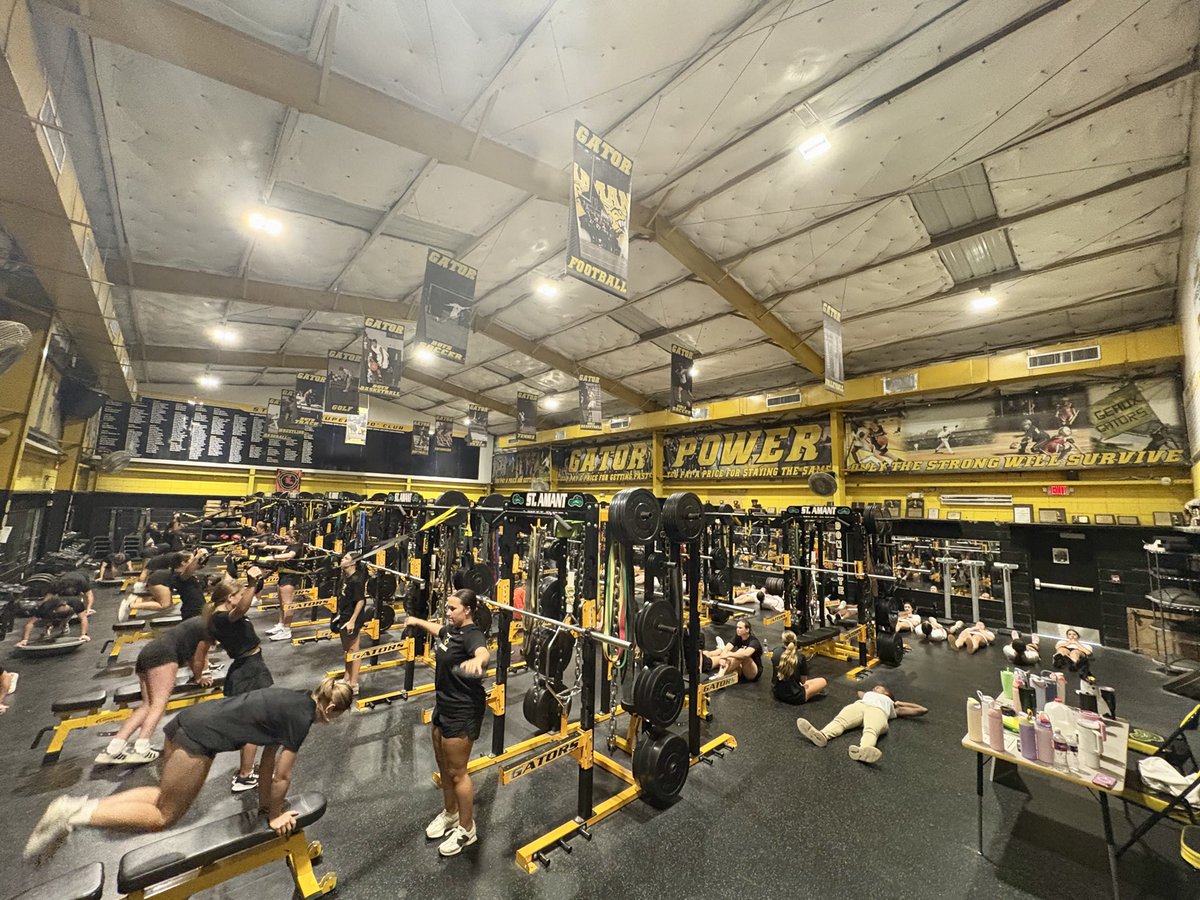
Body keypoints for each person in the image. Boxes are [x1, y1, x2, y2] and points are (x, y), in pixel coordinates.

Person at [25, 677, 353, 862]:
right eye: (337, 716)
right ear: (331, 708)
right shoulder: (301, 719)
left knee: (163, 796)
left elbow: (268, 760)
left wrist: (268, 806)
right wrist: (276, 816)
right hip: (199, 738)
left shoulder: (296, 699)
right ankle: (74, 816)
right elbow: (282, 775)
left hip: (188, 722)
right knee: (163, 815)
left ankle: (78, 807)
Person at [403, 590, 490, 857]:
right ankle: (450, 813)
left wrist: (478, 661)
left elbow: (482, 652)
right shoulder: (452, 630)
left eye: (453, 608)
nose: (448, 612)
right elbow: (439, 630)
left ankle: (467, 829)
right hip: (443, 705)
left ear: (468, 610)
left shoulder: (472, 634)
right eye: (447, 607)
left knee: (457, 772)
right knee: (443, 765)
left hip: (463, 710)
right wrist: (417, 621)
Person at [95, 616, 213, 765]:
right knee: (159, 704)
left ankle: (113, 749)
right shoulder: (208, 629)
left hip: (148, 652)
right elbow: (198, 659)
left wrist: (197, 674)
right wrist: (198, 678)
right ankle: (141, 748)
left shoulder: (198, 621)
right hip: (164, 657)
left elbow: (191, 655)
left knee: (147, 705)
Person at [206, 575, 274, 792]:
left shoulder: (222, 615)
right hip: (248, 670)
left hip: (250, 666)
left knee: (255, 721)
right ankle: (245, 775)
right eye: (240, 594)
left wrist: (256, 582)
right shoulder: (221, 618)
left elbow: (243, 605)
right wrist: (251, 584)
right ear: (229, 598)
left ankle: (247, 771)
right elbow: (242, 609)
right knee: (253, 724)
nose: (243, 597)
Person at [796, 685, 928, 764]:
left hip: (878, 711)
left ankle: (864, 750)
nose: (875, 687)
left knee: (871, 730)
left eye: (879, 687)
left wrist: (900, 703)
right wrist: (872, 693)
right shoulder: (868, 695)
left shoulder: (892, 705)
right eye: (874, 687)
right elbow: (859, 693)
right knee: (840, 721)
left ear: (887, 693)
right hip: (860, 706)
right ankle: (822, 735)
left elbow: (922, 710)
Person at [332, 552, 367, 694]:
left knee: (354, 650)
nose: (342, 559)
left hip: (352, 619)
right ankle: (346, 677)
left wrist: (352, 621)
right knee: (347, 650)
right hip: (344, 616)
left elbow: (361, 601)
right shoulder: (346, 577)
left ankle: (353, 684)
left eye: (346, 558)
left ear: (353, 563)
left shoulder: (357, 580)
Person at [120, 551, 188, 620]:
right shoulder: (182, 566)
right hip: (159, 579)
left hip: (160, 577)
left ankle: (137, 600)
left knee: (167, 603)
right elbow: (144, 573)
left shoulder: (178, 565)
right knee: (164, 604)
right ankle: (130, 605)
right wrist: (138, 587)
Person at [264, 528, 305, 642]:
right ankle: (281, 624)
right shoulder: (291, 546)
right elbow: (285, 548)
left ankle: (287, 630)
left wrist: (272, 557)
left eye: (287, 539)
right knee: (282, 602)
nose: (285, 541)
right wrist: (270, 547)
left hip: (290, 577)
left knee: (287, 604)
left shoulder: (296, 547)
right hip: (283, 575)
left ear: (293, 539)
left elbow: (290, 555)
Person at [770, 631, 827, 705]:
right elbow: (803, 681)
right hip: (795, 696)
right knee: (822, 681)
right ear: (795, 641)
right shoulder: (800, 656)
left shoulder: (775, 652)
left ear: (783, 640)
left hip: (777, 693)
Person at [701, 618, 763, 682]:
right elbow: (727, 648)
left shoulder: (754, 641)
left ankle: (720, 675)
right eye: (737, 627)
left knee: (740, 652)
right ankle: (720, 672)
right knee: (724, 653)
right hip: (741, 668)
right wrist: (723, 657)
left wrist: (729, 654)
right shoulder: (738, 637)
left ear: (747, 630)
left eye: (740, 628)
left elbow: (746, 654)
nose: (737, 629)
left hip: (752, 673)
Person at [16, 595, 89, 646]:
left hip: (68, 610)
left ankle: (64, 625)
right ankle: (48, 626)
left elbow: (83, 618)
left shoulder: (76, 603)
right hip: (49, 613)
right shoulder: (45, 607)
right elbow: (30, 623)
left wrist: (83, 634)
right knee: (48, 618)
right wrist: (24, 640)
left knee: (65, 619)